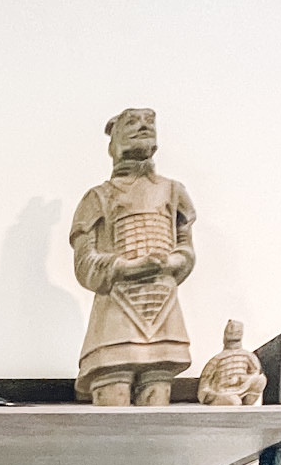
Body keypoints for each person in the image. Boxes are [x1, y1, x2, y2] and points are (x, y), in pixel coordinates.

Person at [70, 107, 196, 405]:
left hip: (163, 309)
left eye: (149, 122)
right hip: (115, 315)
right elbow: (84, 263)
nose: (143, 127)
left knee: (157, 394)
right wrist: (126, 266)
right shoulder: (99, 197)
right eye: (132, 122)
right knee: (112, 390)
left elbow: (186, 246)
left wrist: (172, 262)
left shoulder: (173, 191)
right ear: (114, 141)